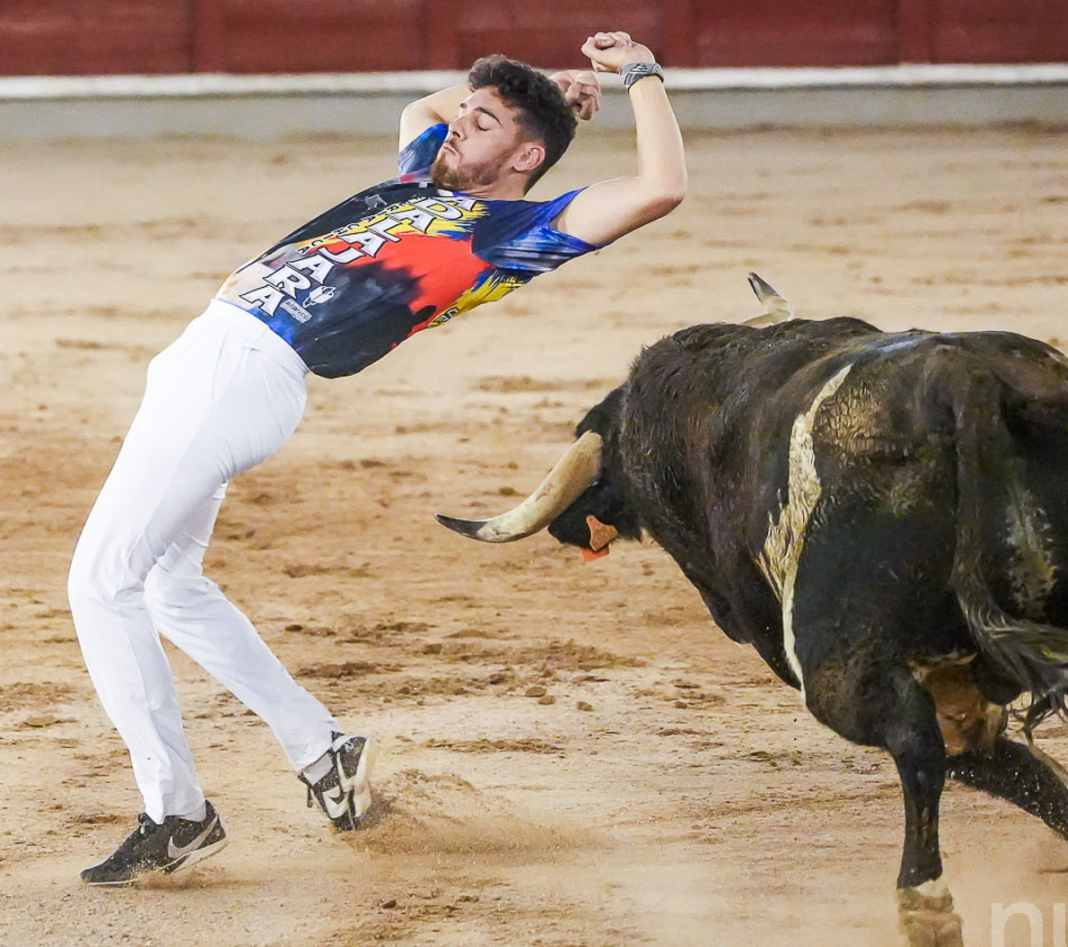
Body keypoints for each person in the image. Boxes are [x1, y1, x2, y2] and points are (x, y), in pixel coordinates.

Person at [68, 31, 686, 885]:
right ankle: (321, 749)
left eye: (482, 124)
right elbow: (423, 108)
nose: (457, 125)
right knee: (169, 585)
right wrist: (542, 89)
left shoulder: (514, 232)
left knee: (100, 583)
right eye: (466, 114)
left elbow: (661, 188)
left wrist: (638, 75)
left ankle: (176, 812)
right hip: (207, 361)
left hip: (245, 373)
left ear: (526, 158)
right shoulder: (420, 177)